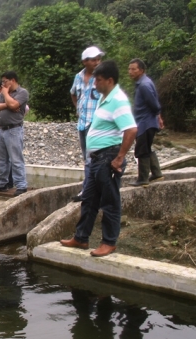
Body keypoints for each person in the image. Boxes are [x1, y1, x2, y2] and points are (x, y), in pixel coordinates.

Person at [61, 60, 137, 257]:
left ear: (109, 80)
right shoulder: (106, 98)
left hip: (108, 157)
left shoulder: (118, 100)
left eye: (99, 80)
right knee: (89, 199)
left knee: (110, 201)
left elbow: (131, 129)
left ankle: (109, 242)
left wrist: (120, 158)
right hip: (97, 159)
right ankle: (81, 237)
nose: (95, 84)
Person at [70, 46, 104, 202]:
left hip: (96, 123)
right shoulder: (78, 77)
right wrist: (78, 109)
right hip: (82, 123)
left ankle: (88, 191)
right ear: (85, 61)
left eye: (98, 59)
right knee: (87, 157)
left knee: (94, 158)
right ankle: (90, 189)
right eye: (93, 59)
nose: (97, 62)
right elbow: (73, 93)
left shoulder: (102, 77)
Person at [0, 71, 29, 196]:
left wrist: (6, 95)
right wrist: (8, 104)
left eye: (5, 81)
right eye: (2, 82)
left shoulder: (22, 92)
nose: (3, 84)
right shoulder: (4, 93)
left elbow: (14, 104)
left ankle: (21, 185)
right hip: (1, 129)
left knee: (16, 158)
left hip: (14, 129)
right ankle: (2, 183)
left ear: (13, 80)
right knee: (1, 159)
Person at [127, 58, 164, 187]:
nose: (130, 72)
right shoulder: (143, 83)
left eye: (133, 69)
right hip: (146, 121)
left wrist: (157, 114)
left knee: (141, 149)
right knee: (146, 147)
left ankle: (143, 178)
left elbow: (154, 104)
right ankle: (156, 172)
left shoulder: (144, 85)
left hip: (145, 122)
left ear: (141, 70)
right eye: (129, 69)